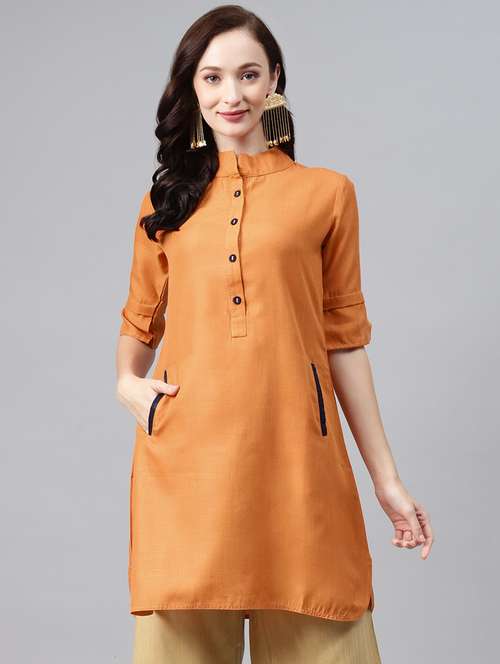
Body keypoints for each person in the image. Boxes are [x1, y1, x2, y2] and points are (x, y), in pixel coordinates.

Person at [115, 5, 434, 663]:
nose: (231, 95)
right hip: (188, 470)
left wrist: (387, 481)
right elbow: (140, 318)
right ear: (192, 87)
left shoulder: (327, 194)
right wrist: (128, 383)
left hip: (299, 464)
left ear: (274, 79)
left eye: (248, 74)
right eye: (212, 78)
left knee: (329, 624)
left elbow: (344, 340)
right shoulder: (165, 203)